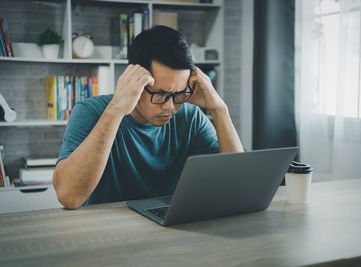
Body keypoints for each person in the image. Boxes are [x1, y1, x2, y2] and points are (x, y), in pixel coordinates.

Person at [53, 26, 243, 209]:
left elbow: (237, 184)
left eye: (179, 94)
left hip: (169, 228)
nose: (170, 106)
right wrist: (116, 110)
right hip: (108, 232)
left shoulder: (190, 117)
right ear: (134, 81)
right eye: (160, 94)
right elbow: (69, 197)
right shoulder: (90, 111)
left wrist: (219, 109)